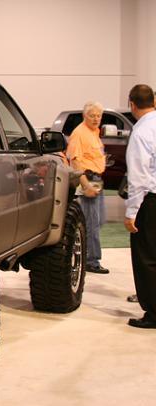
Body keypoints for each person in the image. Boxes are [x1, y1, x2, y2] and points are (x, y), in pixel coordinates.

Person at [124, 84, 156, 329]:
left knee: (147, 259)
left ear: (132, 104)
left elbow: (139, 177)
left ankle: (153, 313)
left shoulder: (141, 132)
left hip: (150, 202)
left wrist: (131, 212)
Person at [65, 101, 109, 274]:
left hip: (97, 179)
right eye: (92, 115)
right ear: (85, 116)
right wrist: (85, 185)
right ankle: (91, 260)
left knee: (99, 220)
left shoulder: (94, 132)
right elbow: (75, 162)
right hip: (88, 180)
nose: (96, 119)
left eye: (98, 116)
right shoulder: (79, 133)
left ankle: (90, 256)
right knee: (91, 222)